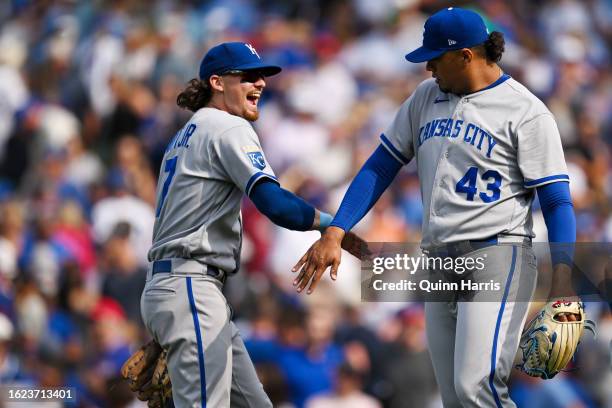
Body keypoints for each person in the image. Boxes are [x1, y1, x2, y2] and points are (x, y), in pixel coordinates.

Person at [293, 8, 578, 408]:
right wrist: (337, 229)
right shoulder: (425, 97)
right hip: (438, 258)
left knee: (475, 388)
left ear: (466, 55)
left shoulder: (526, 112)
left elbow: (556, 200)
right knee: (454, 399)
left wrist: (563, 282)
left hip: (497, 252)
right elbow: (381, 164)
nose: (427, 66)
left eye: (435, 57)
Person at [140, 42, 363, 407]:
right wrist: (329, 224)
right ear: (217, 82)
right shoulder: (227, 127)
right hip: (191, 287)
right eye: (247, 76)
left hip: (179, 286)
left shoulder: (184, 135)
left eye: (262, 76)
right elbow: (275, 204)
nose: (259, 83)